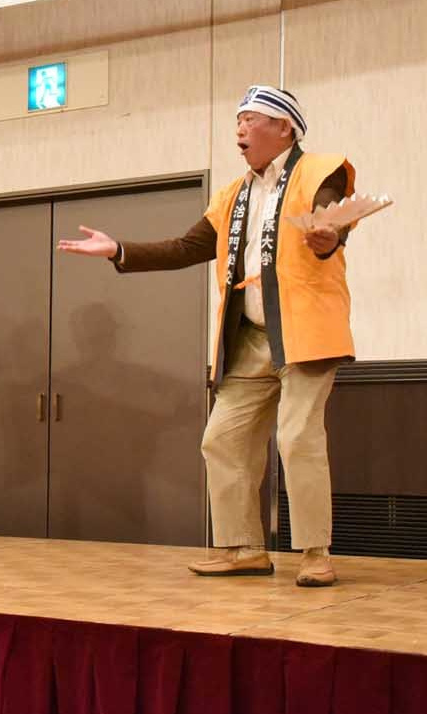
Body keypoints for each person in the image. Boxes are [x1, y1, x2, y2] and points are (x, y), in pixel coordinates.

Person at [58, 85, 358, 588]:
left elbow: (333, 222)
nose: (240, 128)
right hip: (249, 337)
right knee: (221, 440)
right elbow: (185, 248)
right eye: (237, 119)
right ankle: (244, 549)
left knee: (297, 436)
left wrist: (328, 236)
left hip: (306, 333)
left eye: (250, 119)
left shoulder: (320, 171)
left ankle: (314, 553)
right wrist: (118, 250)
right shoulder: (233, 195)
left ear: (284, 128)